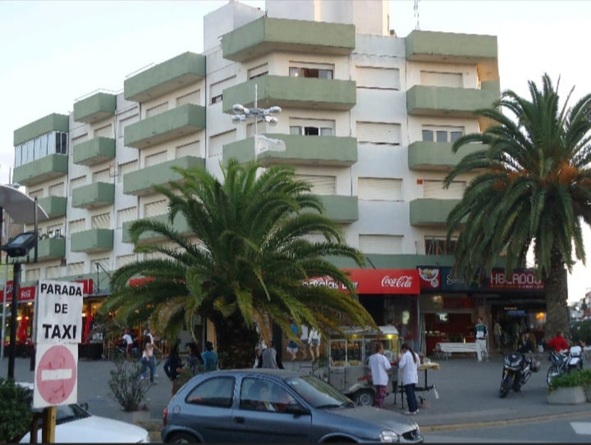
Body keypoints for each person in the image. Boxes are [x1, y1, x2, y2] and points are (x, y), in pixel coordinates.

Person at [368, 342, 392, 409]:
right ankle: (379, 407)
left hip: (375, 379)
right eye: (382, 348)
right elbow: (388, 367)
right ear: (380, 349)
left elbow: (369, 367)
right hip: (382, 379)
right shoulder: (383, 358)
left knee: (377, 394)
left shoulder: (371, 357)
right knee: (381, 395)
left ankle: (377, 406)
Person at [398, 343, 419, 415]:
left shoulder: (405, 355)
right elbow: (418, 364)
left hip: (408, 378)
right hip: (414, 377)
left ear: (404, 349)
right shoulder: (415, 354)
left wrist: (399, 359)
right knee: (412, 393)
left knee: (409, 394)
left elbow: (401, 365)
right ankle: (415, 408)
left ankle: (412, 409)